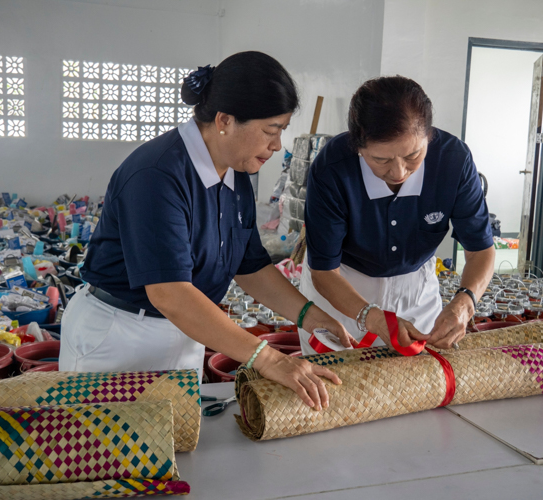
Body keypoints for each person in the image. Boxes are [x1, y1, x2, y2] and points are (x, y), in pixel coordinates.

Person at [59, 51, 357, 411]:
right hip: (120, 338)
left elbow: (251, 267)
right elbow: (170, 294)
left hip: (187, 330)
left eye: (281, 131)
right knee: (105, 454)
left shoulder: (235, 174)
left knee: (175, 449)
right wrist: (269, 359)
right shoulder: (158, 175)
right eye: (270, 130)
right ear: (225, 120)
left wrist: (310, 316)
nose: (277, 145)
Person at [299, 76, 495, 355]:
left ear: (429, 136)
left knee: (417, 386)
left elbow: (480, 250)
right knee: (337, 386)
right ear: (358, 147)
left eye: (413, 155)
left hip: (415, 288)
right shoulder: (333, 168)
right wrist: (372, 317)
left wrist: (465, 301)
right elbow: (324, 271)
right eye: (381, 160)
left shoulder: (453, 162)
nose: (399, 172)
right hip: (342, 288)